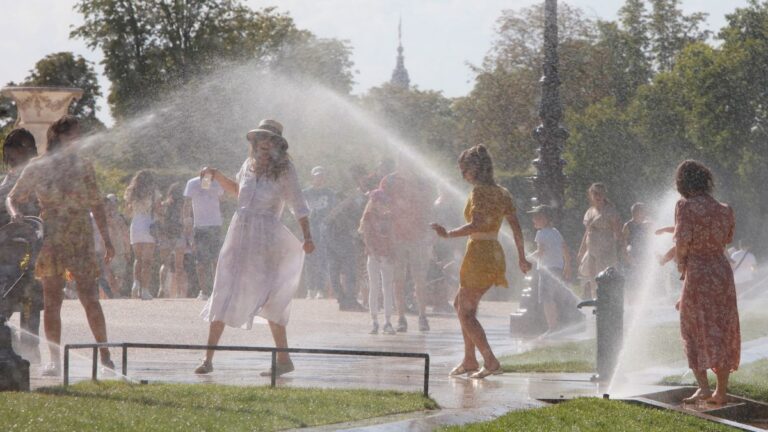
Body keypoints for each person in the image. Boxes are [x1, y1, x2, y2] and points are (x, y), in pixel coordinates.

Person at [194, 119, 314, 376]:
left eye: (270, 139)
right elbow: (239, 191)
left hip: (267, 237)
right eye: (260, 138)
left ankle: (283, 359)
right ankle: (208, 358)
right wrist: (216, 176)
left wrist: (307, 236)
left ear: (278, 145)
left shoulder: (284, 170)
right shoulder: (247, 166)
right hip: (239, 233)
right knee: (223, 287)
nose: (264, 143)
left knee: (271, 295)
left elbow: (298, 203)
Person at [7, 115, 116, 376]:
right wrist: (14, 213)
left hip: (79, 235)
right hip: (52, 235)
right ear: (57, 136)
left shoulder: (84, 166)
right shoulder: (38, 166)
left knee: (90, 298)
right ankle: (54, 360)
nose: (77, 140)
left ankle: (106, 355)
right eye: (72, 135)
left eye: (79, 136)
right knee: (52, 300)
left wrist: (107, 239)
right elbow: (13, 196)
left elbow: (97, 205)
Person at [431, 145, 532, 379]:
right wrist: (521, 257)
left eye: (464, 169)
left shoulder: (480, 192)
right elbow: (516, 227)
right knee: (462, 305)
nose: (463, 175)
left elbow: (476, 224)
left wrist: (448, 234)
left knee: (465, 312)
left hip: (479, 254)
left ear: (474, 169)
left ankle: (490, 360)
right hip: (493, 252)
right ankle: (469, 360)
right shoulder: (502, 192)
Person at [669, 160, 739, 405]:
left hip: (698, 271)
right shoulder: (725, 208)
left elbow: (682, 242)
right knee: (721, 325)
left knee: (692, 326)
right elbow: (727, 238)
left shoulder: (684, 206)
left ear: (683, 183)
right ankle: (721, 391)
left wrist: (680, 267)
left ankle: (704, 387)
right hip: (721, 272)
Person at [0, 128, 42, 361]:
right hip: (5, 252)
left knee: (30, 296)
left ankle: (29, 349)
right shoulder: (5, 183)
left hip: (27, 253)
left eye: (24, 150)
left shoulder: (37, 180)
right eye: (13, 152)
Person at [380, 156, 436, 332]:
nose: (404, 166)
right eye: (401, 162)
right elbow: (379, 205)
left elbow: (429, 207)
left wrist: (430, 232)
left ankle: (422, 316)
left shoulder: (421, 182)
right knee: (399, 279)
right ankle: (401, 317)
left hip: (418, 236)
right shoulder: (389, 181)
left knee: (420, 278)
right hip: (396, 236)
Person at [324, 165, 368, 311]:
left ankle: (342, 299)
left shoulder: (344, 191)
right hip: (339, 232)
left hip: (330, 229)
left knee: (334, 266)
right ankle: (349, 299)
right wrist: (354, 231)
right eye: (362, 177)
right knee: (349, 267)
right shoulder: (352, 194)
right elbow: (344, 212)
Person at [528, 205, 572, 334]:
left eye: (537, 217)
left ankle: (552, 327)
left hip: (546, 270)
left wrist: (527, 258)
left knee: (546, 299)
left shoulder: (540, 233)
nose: (533, 220)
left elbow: (540, 251)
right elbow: (565, 249)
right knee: (553, 298)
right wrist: (568, 265)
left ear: (545, 219)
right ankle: (557, 324)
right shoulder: (555, 232)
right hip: (557, 269)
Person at [183, 166, 225, 301]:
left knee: (215, 259)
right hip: (200, 226)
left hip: (215, 225)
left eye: (209, 177)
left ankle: (216, 290)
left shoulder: (217, 183)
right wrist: (187, 221)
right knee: (201, 260)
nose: (206, 180)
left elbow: (221, 199)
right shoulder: (192, 183)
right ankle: (204, 291)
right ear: (200, 175)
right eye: (204, 176)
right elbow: (187, 203)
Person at [359, 189, 395, 335]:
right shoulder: (368, 216)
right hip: (374, 256)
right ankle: (374, 320)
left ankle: (387, 321)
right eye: (379, 201)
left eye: (383, 202)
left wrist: (392, 253)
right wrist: (374, 253)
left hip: (387, 255)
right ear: (373, 202)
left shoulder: (389, 217)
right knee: (374, 287)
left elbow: (392, 236)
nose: (381, 204)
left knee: (388, 288)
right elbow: (366, 238)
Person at [577, 183, 621, 299]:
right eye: (595, 193)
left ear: (604, 195)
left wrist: (620, 248)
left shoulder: (610, 211)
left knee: (605, 278)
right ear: (591, 195)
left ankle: (608, 303)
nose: (598, 196)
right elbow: (587, 232)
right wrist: (581, 250)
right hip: (592, 249)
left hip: (606, 250)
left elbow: (617, 231)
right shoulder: (589, 211)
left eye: (600, 193)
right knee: (593, 280)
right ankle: (597, 304)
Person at [124, 169, 160, 300]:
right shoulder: (153, 192)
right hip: (149, 225)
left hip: (136, 225)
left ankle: (136, 284)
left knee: (138, 259)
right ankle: (145, 290)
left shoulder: (131, 192)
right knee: (147, 261)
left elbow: (128, 212)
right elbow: (158, 209)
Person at [301, 165, 336, 300]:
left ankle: (320, 289)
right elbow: (298, 210)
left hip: (324, 230)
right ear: (312, 177)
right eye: (316, 176)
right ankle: (310, 289)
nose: (319, 178)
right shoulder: (305, 193)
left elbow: (333, 211)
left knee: (323, 259)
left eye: (321, 176)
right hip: (309, 230)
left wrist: (327, 223)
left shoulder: (330, 193)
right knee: (309, 260)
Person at [157, 182, 188, 298]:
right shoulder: (182, 205)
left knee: (165, 263)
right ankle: (180, 292)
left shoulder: (164, 204)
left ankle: (161, 287)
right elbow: (184, 220)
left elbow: (159, 218)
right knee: (179, 265)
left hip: (165, 235)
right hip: (179, 235)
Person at [103, 194, 132, 297]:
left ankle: (116, 293)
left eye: (115, 202)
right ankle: (115, 294)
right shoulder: (101, 218)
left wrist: (127, 251)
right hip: (105, 250)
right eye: (111, 203)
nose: (113, 205)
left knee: (120, 275)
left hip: (119, 250)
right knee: (108, 273)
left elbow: (126, 235)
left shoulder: (120, 218)